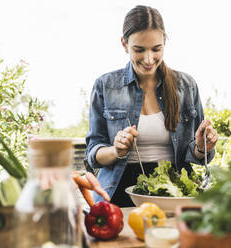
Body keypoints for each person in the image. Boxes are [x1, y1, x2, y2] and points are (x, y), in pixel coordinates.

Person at [85, 5, 219, 207]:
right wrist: (116, 150)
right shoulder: (105, 86)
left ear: (165, 41)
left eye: (156, 49)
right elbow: (93, 152)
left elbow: (196, 156)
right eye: (139, 50)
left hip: (174, 188)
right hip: (118, 191)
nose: (149, 59)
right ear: (124, 44)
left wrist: (201, 147)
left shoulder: (186, 86)